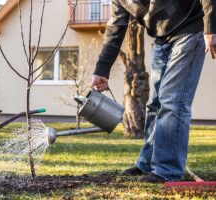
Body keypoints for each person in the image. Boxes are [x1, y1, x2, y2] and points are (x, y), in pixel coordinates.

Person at [91, 0, 216, 183]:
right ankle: (148, 163)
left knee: (173, 101)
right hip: (161, 38)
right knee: (155, 105)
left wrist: (210, 26)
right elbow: (116, 26)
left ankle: (168, 170)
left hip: (190, 29)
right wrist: (101, 70)